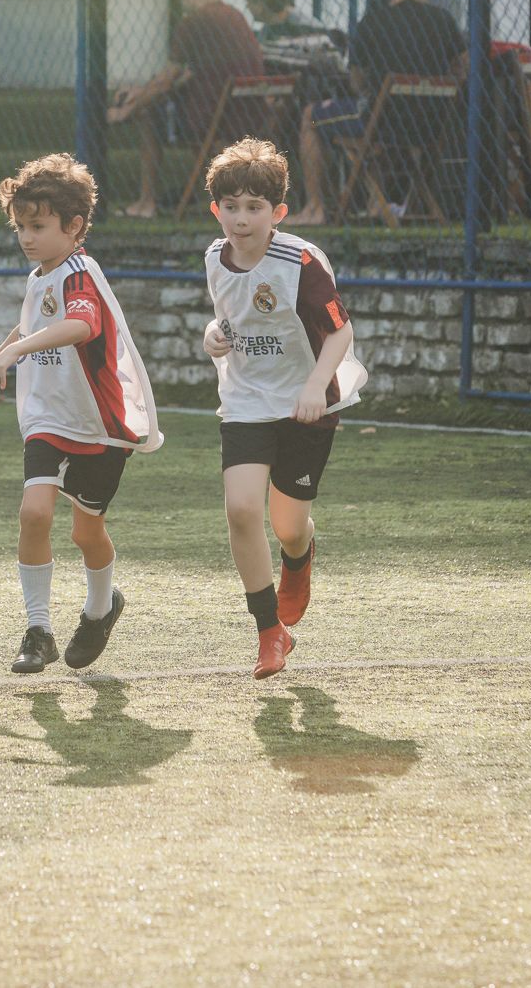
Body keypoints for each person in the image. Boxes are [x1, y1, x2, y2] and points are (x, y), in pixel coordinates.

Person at [0, 152, 162, 675]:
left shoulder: (78, 276)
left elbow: (80, 327)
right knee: (34, 513)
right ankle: (38, 629)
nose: (27, 237)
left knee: (86, 533)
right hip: (48, 418)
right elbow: (30, 327)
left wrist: (13, 353)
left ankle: (101, 609)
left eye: (38, 226)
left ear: (73, 227)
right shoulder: (41, 274)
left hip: (99, 423)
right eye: (20, 226)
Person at [201, 137, 367, 680]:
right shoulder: (213, 257)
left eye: (255, 208)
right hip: (246, 400)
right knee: (242, 510)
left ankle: (300, 555)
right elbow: (227, 318)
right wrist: (212, 336)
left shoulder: (299, 261)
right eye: (231, 207)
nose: (241, 219)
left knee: (288, 524)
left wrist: (316, 385)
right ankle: (269, 632)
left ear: (279, 212)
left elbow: (341, 333)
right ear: (216, 209)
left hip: (306, 402)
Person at [291, 0, 468, 225]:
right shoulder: (443, 19)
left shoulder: (372, 22)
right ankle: (378, 203)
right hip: (432, 124)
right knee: (373, 118)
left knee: (310, 117)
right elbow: (462, 68)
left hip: (381, 124)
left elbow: (356, 82)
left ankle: (315, 207)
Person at [107, 0, 264, 218]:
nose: (181, 0)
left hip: (209, 117)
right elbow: (188, 73)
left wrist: (126, 109)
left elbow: (168, 80)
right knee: (149, 99)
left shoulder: (193, 23)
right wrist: (142, 91)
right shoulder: (234, 16)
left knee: (148, 113)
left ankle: (147, 202)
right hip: (245, 112)